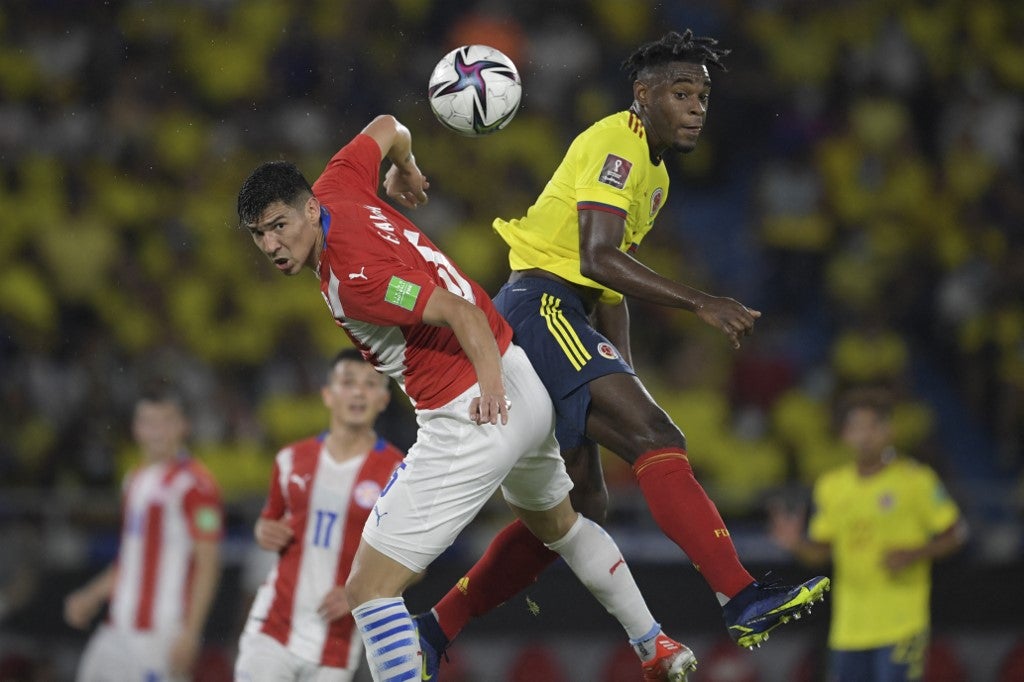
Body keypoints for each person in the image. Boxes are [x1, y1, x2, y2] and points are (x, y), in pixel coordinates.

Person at [413, 28, 829, 674]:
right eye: (681, 92)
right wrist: (700, 301)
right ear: (643, 95)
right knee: (657, 435)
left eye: (704, 95)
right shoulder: (618, 140)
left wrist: (622, 369)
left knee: (580, 507)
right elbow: (596, 257)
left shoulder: (654, 176)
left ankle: (436, 628)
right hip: (540, 303)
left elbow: (610, 287)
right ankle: (741, 594)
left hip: (561, 310)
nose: (696, 107)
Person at [235, 113, 698, 681]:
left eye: (279, 225)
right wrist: (405, 166)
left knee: (368, 591)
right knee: (562, 526)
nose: (273, 244)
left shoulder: (351, 278)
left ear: (308, 207)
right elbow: (387, 125)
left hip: (473, 411)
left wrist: (489, 389)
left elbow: (456, 311)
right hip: (521, 383)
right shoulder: (338, 181)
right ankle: (655, 644)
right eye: (259, 235)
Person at [769, 388, 968, 681]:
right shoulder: (831, 486)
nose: (863, 436)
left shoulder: (916, 480)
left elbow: (957, 533)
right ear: (844, 435)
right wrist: (795, 543)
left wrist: (914, 553)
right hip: (849, 628)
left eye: (871, 427)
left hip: (902, 623)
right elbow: (821, 553)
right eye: (855, 428)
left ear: (889, 431)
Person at [235, 348, 406, 681]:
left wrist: (360, 589)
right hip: (272, 629)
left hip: (337, 643)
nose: (358, 392)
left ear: (384, 400)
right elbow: (269, 524)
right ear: (328, 395)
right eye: (348, 382)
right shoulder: (290, 460)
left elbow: (415, 564)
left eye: (371, 384)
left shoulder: (398, 473)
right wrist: (262, 530)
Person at [64, 388, 224, 682]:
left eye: (166, 421)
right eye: (147, 422)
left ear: (183, 426)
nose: (156, 431)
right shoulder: (134, 479)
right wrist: (91, 595)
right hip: (116, 628)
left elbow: (208, 563)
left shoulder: (197, 485)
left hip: (161, 633)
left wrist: (190, 632)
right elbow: (129, 560)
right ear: (136, 429)